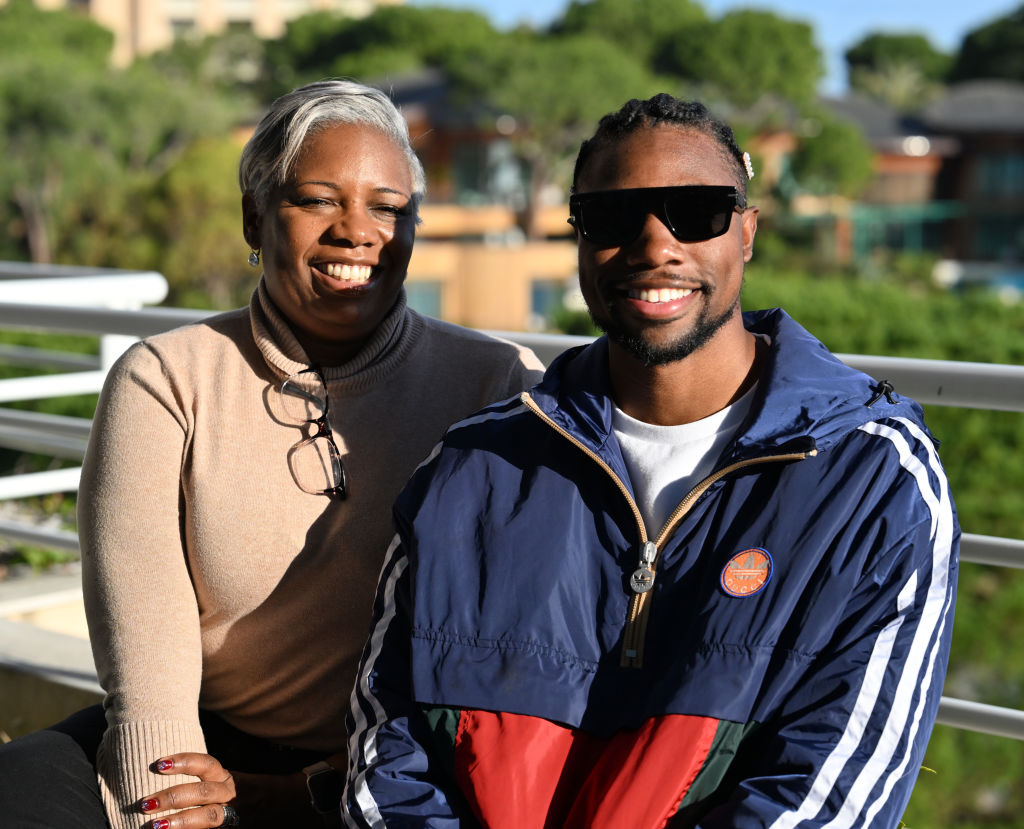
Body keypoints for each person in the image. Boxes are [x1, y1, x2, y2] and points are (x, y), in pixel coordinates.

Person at [345, 94, 960, 828]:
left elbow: (827, 801)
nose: (654, 244)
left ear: (747, 233)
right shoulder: (472, 469)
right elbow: (388, 760)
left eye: (695, 211)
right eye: (612, 216)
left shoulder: (872, 478)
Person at [0, 79, 543, 829]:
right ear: (255, 215)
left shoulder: (497, 382)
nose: (357, 230)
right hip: (204, 744)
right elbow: (148, 675)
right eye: (319, 199)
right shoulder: (165, 380)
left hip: (408, 760)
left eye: (387, 207)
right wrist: (163, 805)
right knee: (21, 790)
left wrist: (325, 791)